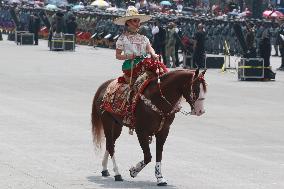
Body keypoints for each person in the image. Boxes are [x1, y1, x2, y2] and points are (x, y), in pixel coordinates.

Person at [113, 6, 165, 84]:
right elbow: (118, 55)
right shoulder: (122, 39)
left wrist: (153, 54)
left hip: (145, 62)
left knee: (160, 67)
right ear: (128, 22)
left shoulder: (143, 38)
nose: (138, 24)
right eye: (135, 21)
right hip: (131, 65)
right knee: (148, 65)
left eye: (138, 21)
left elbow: (149, 48)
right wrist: (129, 56)